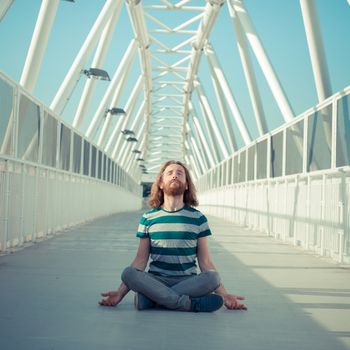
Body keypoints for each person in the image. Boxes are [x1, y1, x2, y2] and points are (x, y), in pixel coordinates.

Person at [99, 160, 247, 312]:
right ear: (161, 184)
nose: (175, 176)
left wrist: (224, 294)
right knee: (128, 273)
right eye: (170, 173)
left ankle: (152, 299)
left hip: (188, 281)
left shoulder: (198, 219)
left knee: (213, 278)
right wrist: (120, 293)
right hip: (156, 280)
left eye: (180, 173)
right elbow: (140, 260)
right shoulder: (148, 218)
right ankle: (188, 304)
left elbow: (205, 262)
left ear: (187, 184)